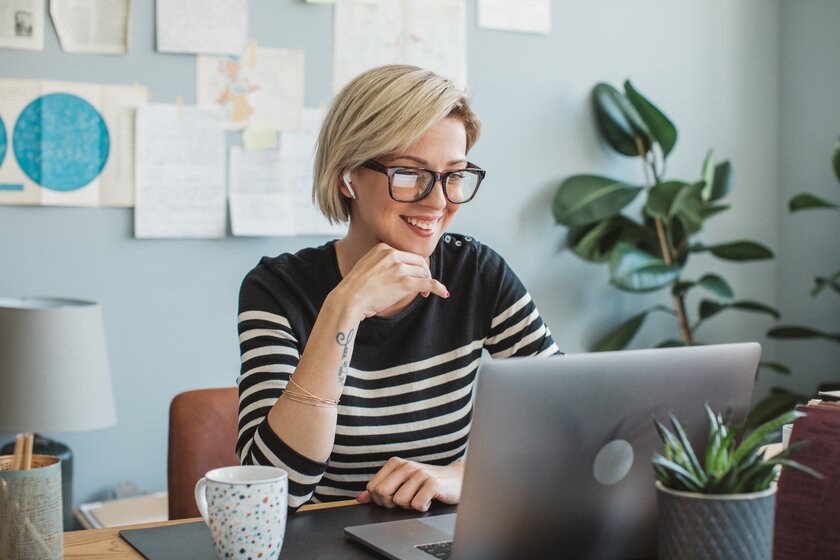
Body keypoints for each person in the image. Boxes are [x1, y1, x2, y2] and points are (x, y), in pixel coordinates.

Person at [236, 65, 561, 513]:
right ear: (348, 176)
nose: (438, 201)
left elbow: (569, 422)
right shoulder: (276, 290)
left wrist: (464, 476)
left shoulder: (476, 273)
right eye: (410, 174)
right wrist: (344, 307)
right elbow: (273, 493)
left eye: (454, 175)